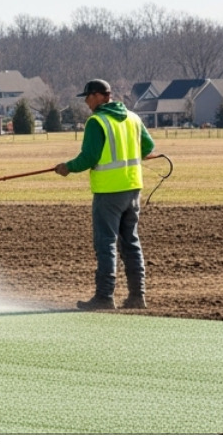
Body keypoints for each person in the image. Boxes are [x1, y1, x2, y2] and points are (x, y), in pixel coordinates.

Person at [55, 79, 154, 311]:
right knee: (130, 243)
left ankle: (104, 297)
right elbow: (148, 147)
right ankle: (137, 296)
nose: (87, 101)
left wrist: (67, 167)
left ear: (101, 96)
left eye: (89, 96)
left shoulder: (96, 121)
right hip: (133, 188)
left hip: (108, 192)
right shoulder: (133, 118)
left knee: (106, 243)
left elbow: (89, 157)